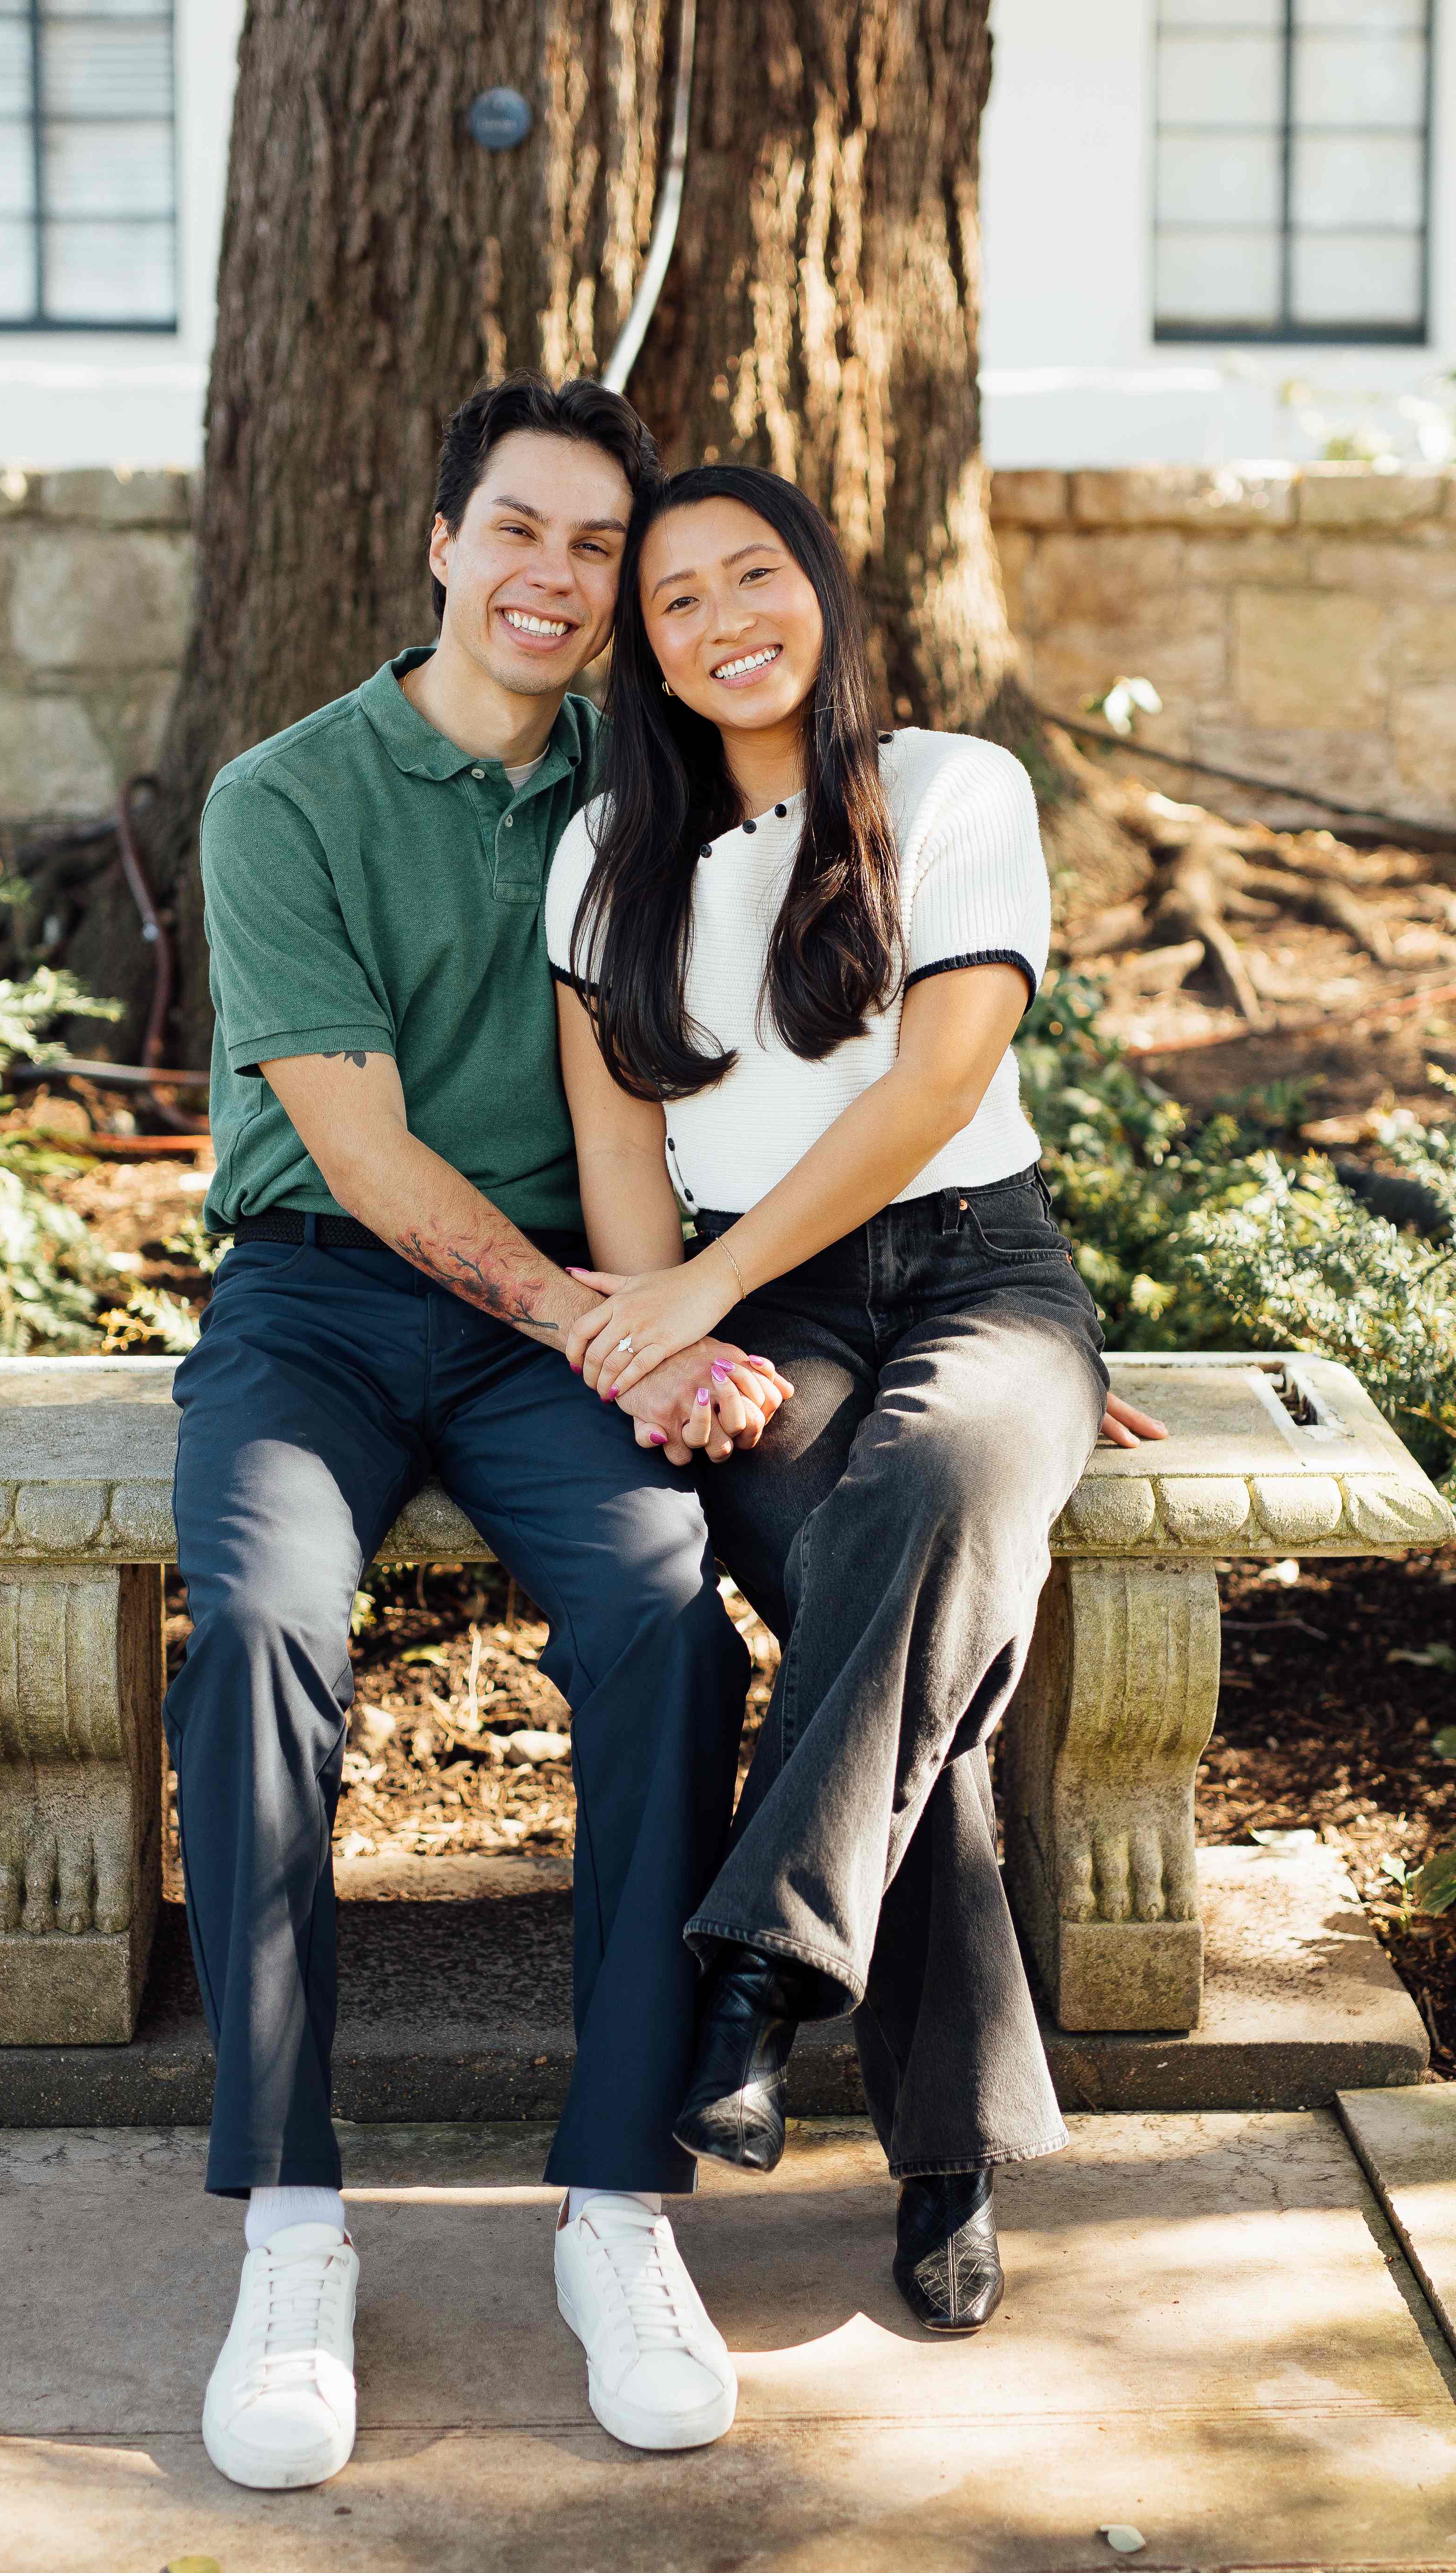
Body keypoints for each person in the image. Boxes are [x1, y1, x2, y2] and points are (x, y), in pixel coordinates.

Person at [168, 377, 805, 2490]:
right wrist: (611, 1333)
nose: (556, 577)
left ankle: (616, 2203)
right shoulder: (285, 796)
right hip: (329, 1297)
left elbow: (840, 1030)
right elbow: (354, 1157)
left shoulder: (650, 797)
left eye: (596, 548)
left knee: (664, 1619)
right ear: (440, 543)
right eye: (518, 531)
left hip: (580, 1296)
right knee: (260, 1623)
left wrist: (991, 1300)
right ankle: (290, 2214)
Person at [546, 462, 1166, 2339]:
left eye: (760, 574)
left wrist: (688, 1299)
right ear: (638, 647)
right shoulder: (603, 856)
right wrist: (676, 1343)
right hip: (767, 1307)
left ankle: (752, 1975)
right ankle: (942, 2150)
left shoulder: (949, 788)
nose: (728, 618)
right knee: (897, 1622)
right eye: (677, 599)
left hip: (977, 1267)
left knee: (931, 1496)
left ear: (823, 587)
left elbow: (926, 1090)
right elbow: (618, 1147)